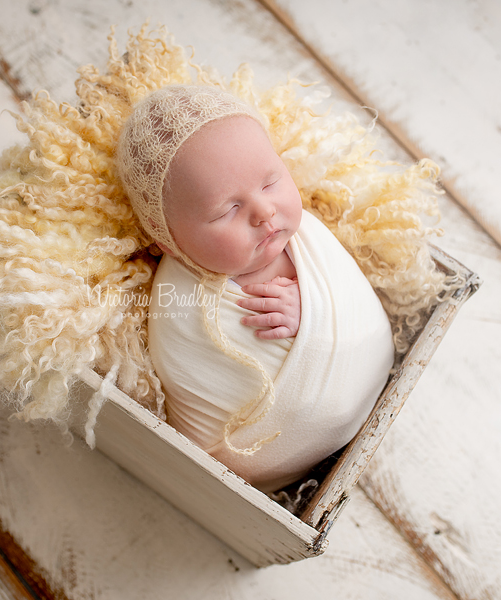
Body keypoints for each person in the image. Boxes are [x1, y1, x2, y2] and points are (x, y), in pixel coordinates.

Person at [117, 85, 395, 492]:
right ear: (169, 241)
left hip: (370, 375)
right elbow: (191, 375)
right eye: (228, 209)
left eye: (270, 182)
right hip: (264, 460)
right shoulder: (179, 305)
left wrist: (314, 309)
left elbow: (346, 296)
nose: (265, 212)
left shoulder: (308, 239)